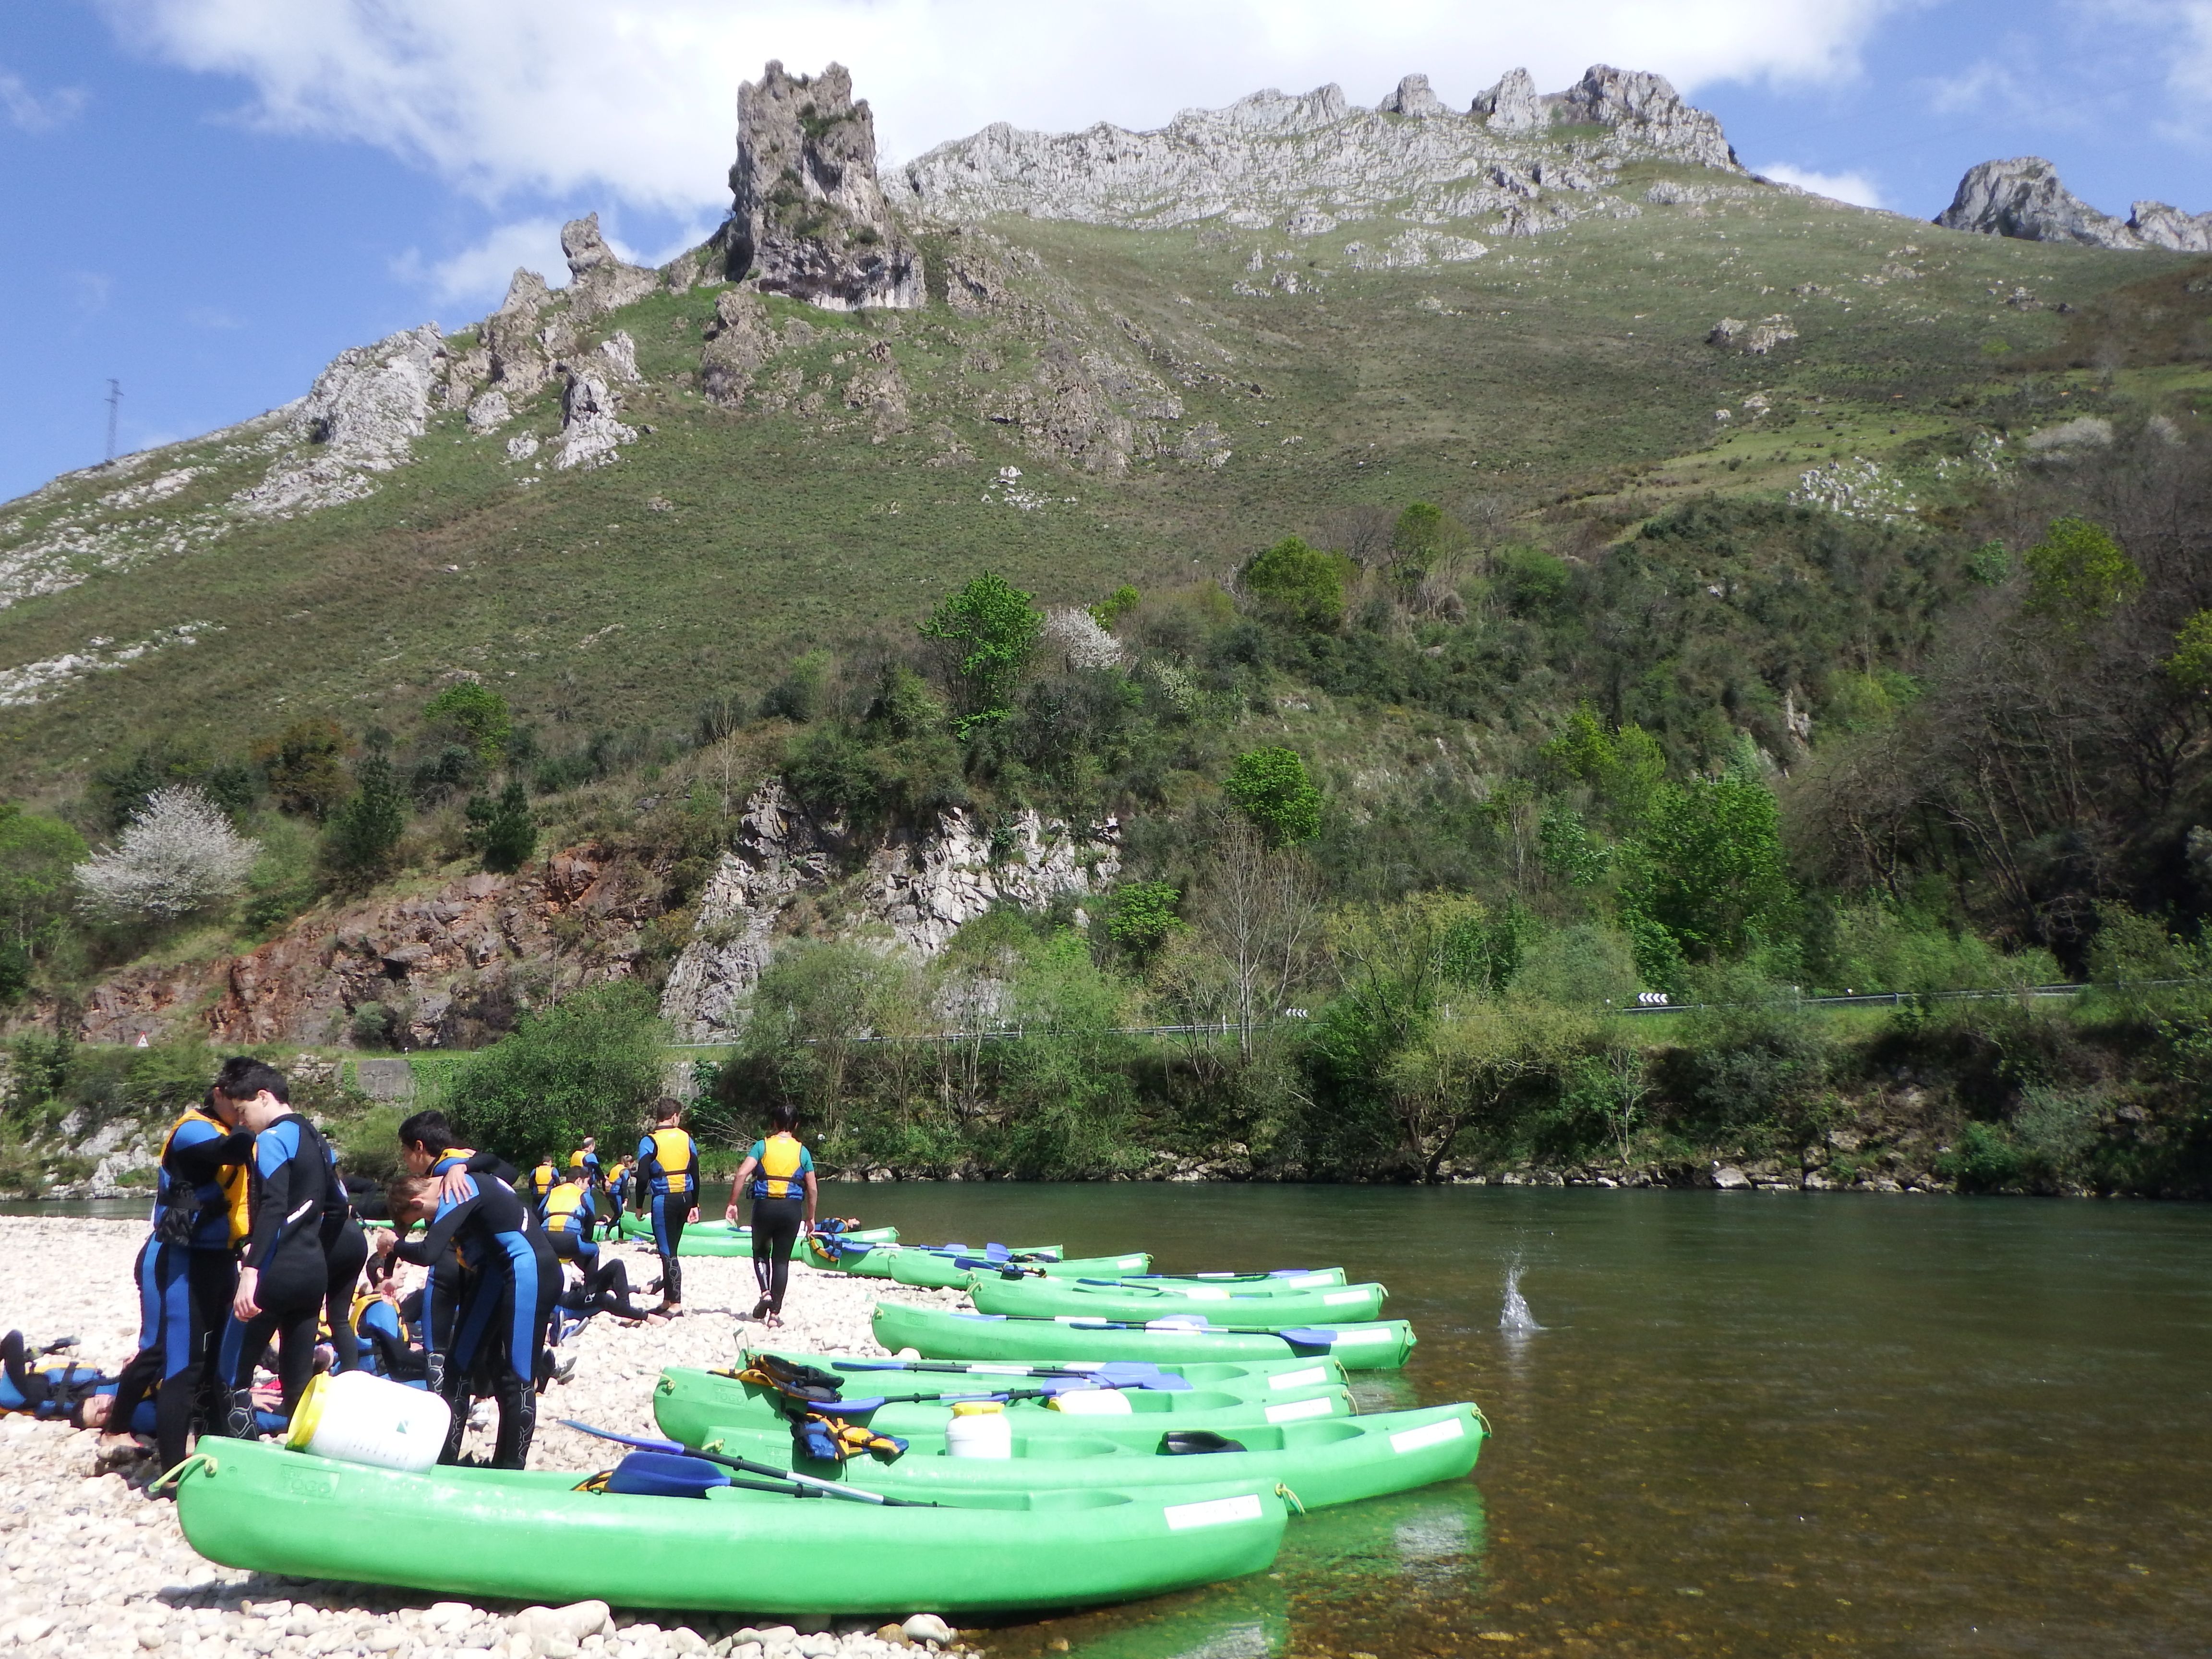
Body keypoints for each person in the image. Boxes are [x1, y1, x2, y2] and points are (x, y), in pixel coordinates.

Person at [102, 1086, 252, 1477]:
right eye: (236, 1099)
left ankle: (204, 1438)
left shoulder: (226, 1128)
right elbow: (231, 1152)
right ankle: (116, 1429)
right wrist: (255, 1123)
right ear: (218, 1095)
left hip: (215, 1254)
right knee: (158, 1349)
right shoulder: (193, 1129)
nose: (240, 1107)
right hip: (168, 1257)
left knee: (209, 1356)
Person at [389, 1151, 556, 1469]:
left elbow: (428, 1252)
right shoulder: (460, 1181)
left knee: (517, 1375)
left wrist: (393, 1245)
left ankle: (510, 1468)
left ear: (417, 1203)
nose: (428, 1222)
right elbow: (504, 1164)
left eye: (421, 1218)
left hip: (530, 1270)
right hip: (499, 1272)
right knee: (458, 1364)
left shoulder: (456, 1189)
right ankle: (445, 1458)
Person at [210, 1059, 331, 1437]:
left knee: (231, 1375)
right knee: (296, 1381)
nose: (242, 1122)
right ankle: (294, 1462)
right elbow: (339, 1208)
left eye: (243, 1111)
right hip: (313, 1271)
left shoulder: (273, 1138)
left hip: (276, 1272)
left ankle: (236, 1458)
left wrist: (251, 1271)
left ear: (264, 1097)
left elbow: (274, 1207)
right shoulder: (317, 1137)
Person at [728, 1104, 816, 1328]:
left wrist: (733, 1203)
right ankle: (775, 1315)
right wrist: (811, 1216)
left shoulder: (762, 1147)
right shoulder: (802, 1152)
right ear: (795, 1125)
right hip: (791, 1210)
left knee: (760, 1253)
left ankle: (766, 1292)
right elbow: (813, 1189)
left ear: (775, 1124)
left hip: (765, 1207)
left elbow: (741, 1174)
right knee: (782, 1261)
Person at [635, 1100, 698, 1316]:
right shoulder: (686, 1138)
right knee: (672, 1249)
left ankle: (676, 1304)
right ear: (673, 1117)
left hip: (664, 1199)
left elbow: (643, 1176)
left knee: (667, 1252)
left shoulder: (649, 1141)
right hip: (685, 1197)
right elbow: (695, 1172)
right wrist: (695, 1204)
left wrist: (639, 1206)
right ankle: (667, 1301)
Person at [521, 1152, 560, 1216]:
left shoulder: (536, 1170)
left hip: (537, 1194)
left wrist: (532, 1189)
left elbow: (531, 1182)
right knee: (547, 1210)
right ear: (550, 1162)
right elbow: (558, 1182)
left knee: (536, 1212)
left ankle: (535, 1222)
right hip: (548, 1194)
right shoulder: (553, 1170)